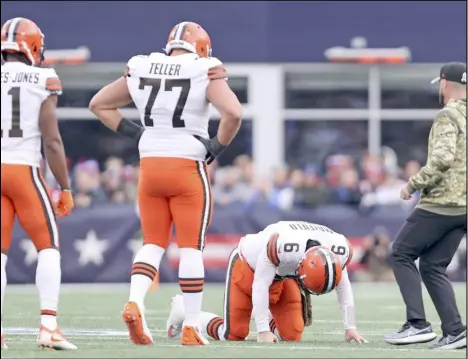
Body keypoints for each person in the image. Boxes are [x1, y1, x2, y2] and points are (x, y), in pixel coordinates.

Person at [89, 21, 242, 346]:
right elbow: (233, 113)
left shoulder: (142, 65)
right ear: (201, 49)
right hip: (187, 165)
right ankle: (191, 325)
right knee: (190, 247)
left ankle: (136, 302)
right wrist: (214, 147)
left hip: (150, 166)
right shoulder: (205, 68)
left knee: (152, 242)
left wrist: (139, 133)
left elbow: (99, 104)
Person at [1, 18, 76, 350]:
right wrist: (66, 187)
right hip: (23, 171)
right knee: (48, 247)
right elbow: (53, 140)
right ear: (32, 46)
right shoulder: (43, 77)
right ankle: (48, 325)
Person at [166, 221, 368, 344]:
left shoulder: (339, 250)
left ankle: (267, 315)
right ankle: (185, 313)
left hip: (284, 274)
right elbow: (260, 283)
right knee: (234, 334)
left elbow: (344, 286)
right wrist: (262, 330)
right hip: (249, 268)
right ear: (301, 268)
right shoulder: (281, 245)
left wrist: (350, 327)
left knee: (293, 334)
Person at [385, 62, 466, 350]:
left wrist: (412, 184)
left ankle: (417, 324)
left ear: (445, 84)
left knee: (400, 254)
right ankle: (456, 330)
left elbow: (442, 158)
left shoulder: (448, 114)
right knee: (433, 266)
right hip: (464, 208)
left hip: (442, 202)